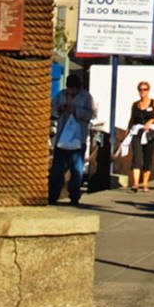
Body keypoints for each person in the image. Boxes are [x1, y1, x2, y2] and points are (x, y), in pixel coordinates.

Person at [49, 71, 95, 206]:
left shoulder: (86, 97)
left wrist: (76, 111)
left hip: (77, 138)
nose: (71, 91)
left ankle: (74, 195)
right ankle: (53, 194)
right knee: (57, 169)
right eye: (69, 89)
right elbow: (52, 108)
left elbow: (92, 113)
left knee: (76, 169)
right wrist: (62, 108)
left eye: (73, 89)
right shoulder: (61, 95)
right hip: (62, 138)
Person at [125, 81, 154, 192]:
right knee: (137, 157)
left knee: (148, 157)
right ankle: (136, 183)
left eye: (145, 89)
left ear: (148, 90)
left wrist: (152, 120)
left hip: (149, 133)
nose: (143, 91)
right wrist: (128, 131)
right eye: (141, 89)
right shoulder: (135, 104)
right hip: (137, 132)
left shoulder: (153, 103)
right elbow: (132, 119)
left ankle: (145, 183)